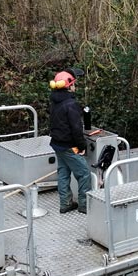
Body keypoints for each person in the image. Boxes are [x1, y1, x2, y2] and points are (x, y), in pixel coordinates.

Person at [49, 68, 91, 214]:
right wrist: (82, 145)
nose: (75, 86)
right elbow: (76, 128)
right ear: (69, 86)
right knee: (84, 173)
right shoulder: (71, 104)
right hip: (69, 146)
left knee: (63, 173)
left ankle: (65, 203)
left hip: (57, 144)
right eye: (74, 83)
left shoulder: (55, 101)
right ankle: (84, 205)